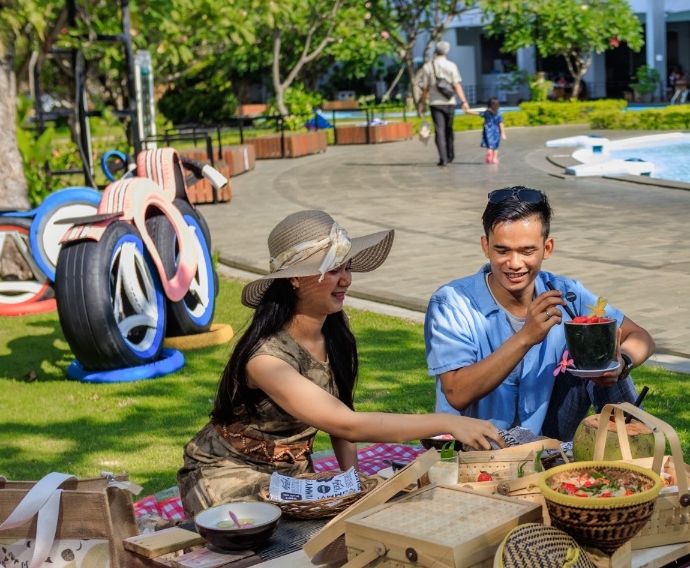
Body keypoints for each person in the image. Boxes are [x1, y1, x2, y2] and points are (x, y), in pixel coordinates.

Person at [177, 210, 502, 517]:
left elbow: (341, 414)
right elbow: (347, 424)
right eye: (333, 270)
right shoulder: (266, 360)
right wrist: (447, 422)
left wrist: (354, 485)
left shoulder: (335, 330)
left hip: (291, 476)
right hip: (226, 474)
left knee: (372, 502)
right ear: (295, 279)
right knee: (288, 526)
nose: (346, 280)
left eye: (347, 268)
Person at [424, 186, 656, 441]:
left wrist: (622, 363)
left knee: (604, 357)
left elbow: (641, 337)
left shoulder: (566, 293)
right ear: (485, 246)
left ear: (547, 248)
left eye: (527, 251)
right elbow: (457, 394)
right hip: (472, 444)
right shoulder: (451, 302)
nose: (514, 263)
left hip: (543, 439)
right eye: (502, 250)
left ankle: (636, 456)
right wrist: (526, 337)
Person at [416, 41, 470, 167]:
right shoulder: (452, 66)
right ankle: (450, 155)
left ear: (436, 50)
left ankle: (443, 158)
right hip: (449, 102)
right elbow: (457, 85)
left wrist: (423, 104)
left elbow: (424, 88)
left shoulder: (427, 67)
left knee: (439, 131)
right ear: (447, 51)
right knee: (449, 129)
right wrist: (464, 101)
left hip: (435, 103)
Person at [466, 97, 506, 164]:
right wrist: (503, 133)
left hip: (487, 132)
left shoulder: (486, 113)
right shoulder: (499, 114)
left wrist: (467, 111)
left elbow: (477, 113)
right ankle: (494, 159)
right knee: (496, 147)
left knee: (489, 144)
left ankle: (489, 151)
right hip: (496, 132)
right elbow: (501, 124)